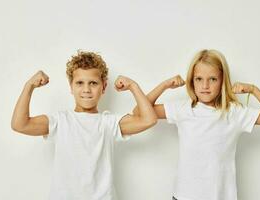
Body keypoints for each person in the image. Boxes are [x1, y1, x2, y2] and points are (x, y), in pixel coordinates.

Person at [134, 49, 260, 200]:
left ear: (222, 81)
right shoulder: (183, 109)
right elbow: (139, 112)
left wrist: (253, 89)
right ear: (192, 81)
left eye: (212, 79)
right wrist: (165, 85)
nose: (205, 85)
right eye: (199, 79)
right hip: (184, 195)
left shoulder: (234, 112)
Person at [11, 51, 157, 200]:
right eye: (80, 83)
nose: (86, 89)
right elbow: (20, 125)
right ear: (71, 86)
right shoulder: (61, 121)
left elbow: (149, 119)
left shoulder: (109, 123)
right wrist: (29, 86)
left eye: (93, 83)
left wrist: (133, 86)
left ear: (104, 87)